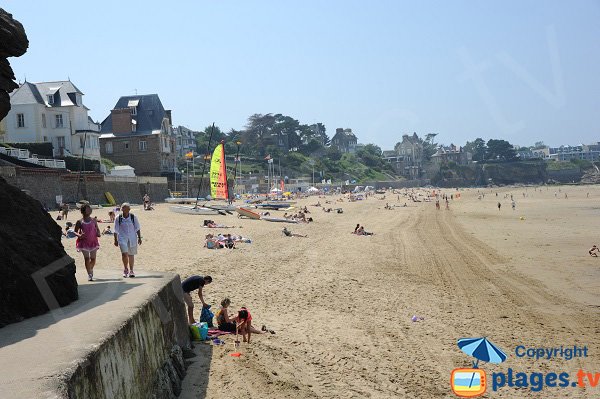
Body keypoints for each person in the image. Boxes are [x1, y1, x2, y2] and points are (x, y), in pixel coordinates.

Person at [113, 203, 142, 278]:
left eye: (126, 208)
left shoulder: (133, 217)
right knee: (124, 254)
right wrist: (115, 240)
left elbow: (137, 228)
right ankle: (126, 269)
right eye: (123, 208)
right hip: (122, 238)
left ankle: (131, 270)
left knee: (131, 254)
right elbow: (115, 230)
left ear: (129, 209)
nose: (124, 210)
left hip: (132, 238)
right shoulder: (118, 218)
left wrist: (139, 238)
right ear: (121, 209)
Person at [75, 204, 101, 281]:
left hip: (93, 241)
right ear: (83, 211)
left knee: (93, 259)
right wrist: (79, 235)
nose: (90, 210)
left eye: (90, 208)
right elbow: (75, 231)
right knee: (87, 259)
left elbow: (97, 229)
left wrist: (98, 233)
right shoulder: (80, 221)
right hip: (83, 243)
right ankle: (89, 274)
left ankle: (90, 269)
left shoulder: (94, 220)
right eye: (88, 209)